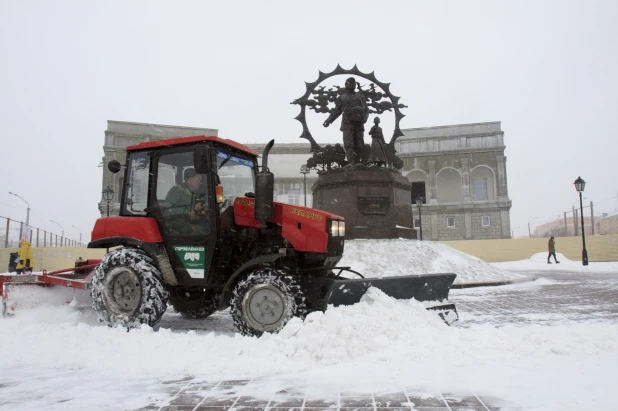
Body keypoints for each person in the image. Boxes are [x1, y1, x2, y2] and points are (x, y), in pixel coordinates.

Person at [323, 77, 369, 165]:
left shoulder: (360, 97)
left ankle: (358, 163)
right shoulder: (342, 98)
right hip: (347, 124)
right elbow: (337, 111)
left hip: (359, 124)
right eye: (350, 84)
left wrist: (365, 119)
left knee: (359, 144)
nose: (353, 85)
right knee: (349, 144)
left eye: (354, 84)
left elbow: (366, 109)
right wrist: (329, 120)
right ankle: (351, 163)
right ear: (346, 85)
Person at [163, 168, 208, 233]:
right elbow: (167, 208)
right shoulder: (176, 190)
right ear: (190, 178)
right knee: (201, 231)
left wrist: (198, 210)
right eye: (197, 179)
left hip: (190, 220)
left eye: (200, 180)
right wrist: (187, 213)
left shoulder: (196, 193)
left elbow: (199, 206)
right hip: (177, 221)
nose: (199, 182)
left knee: (210, 226)